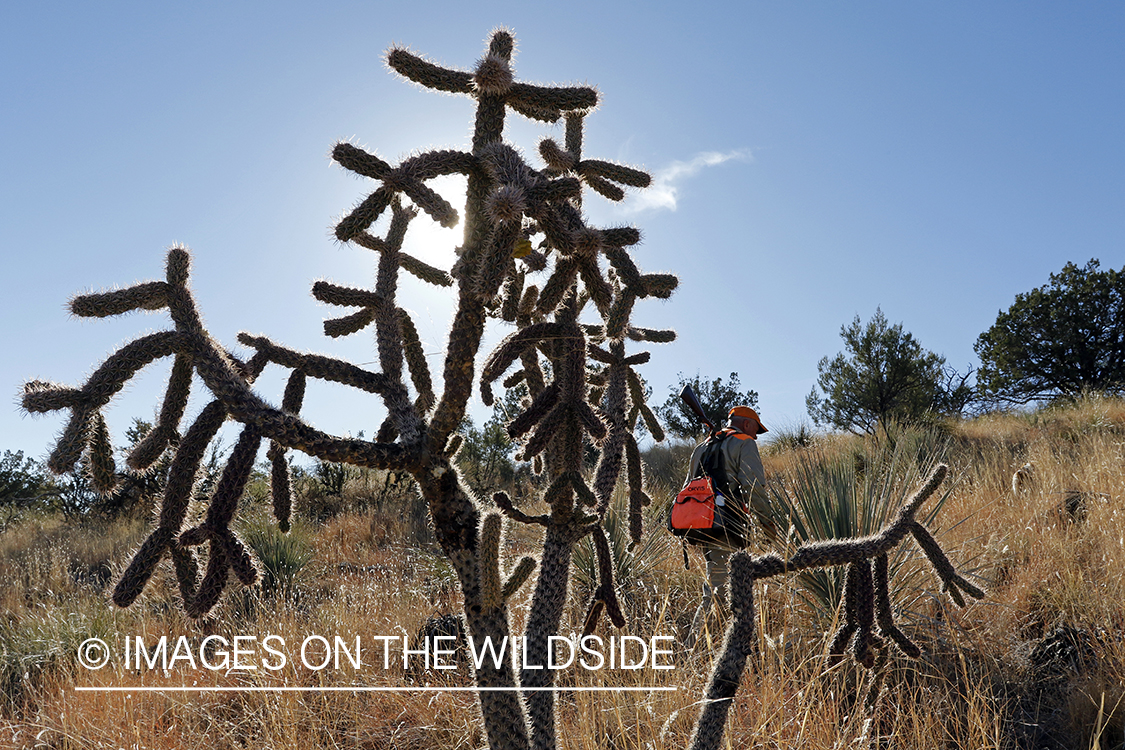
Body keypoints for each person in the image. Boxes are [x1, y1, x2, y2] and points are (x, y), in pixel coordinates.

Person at [684, 405, 769, 647]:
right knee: (717, 594)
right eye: (755, 431)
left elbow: (687, 487)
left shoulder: (703, 446)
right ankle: (692, 651)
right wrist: (768, 524)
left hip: (702, 526)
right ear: (747, 424)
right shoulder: (744, 443)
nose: (755, 437)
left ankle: (724, 647)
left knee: (721, 589)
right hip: (726, 528)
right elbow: (754, 488)